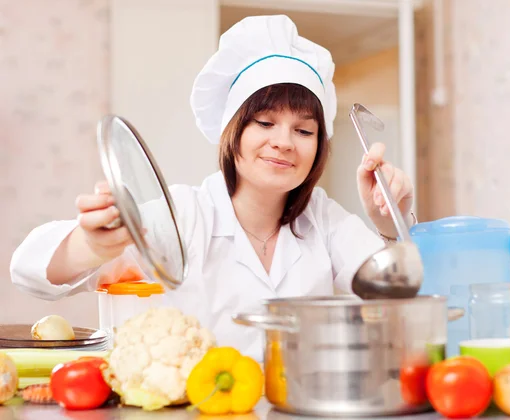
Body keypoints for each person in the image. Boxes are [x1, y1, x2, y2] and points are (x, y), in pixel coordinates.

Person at [10, 15, 416, 361]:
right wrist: (92, 245)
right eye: (264, 122)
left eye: (304, 130)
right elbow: (28, 268)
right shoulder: (182, 215)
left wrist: (389, 223)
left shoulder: (324, 220)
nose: (284, 142)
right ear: (232, 131)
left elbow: (403, 300)